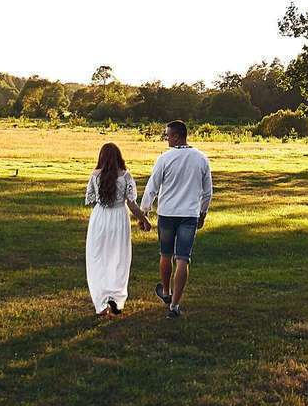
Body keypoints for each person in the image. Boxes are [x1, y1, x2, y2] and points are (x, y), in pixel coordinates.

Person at [138, 119, 212, 319]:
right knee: (183, 259)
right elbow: (207, 193)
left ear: (177, 136)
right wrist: (203, 213)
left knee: (165, 254)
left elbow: (152, 187)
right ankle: (175, 305)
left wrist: (144, 211)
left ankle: (167, 293)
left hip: (167, 214)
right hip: (189, 214)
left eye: (168, 135)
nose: (166, 138)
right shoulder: (201, 158)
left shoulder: (164, 158)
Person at [84, 142, 150, 316]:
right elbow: (132, 203)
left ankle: (101, 303)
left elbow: (90, 200)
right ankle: (115, 296)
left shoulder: (95, 175)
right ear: (119, 156)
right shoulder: (126, 176)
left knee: (98, 259)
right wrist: (144, 219)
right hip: (119, 218)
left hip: (100, 218)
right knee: (119, 258)